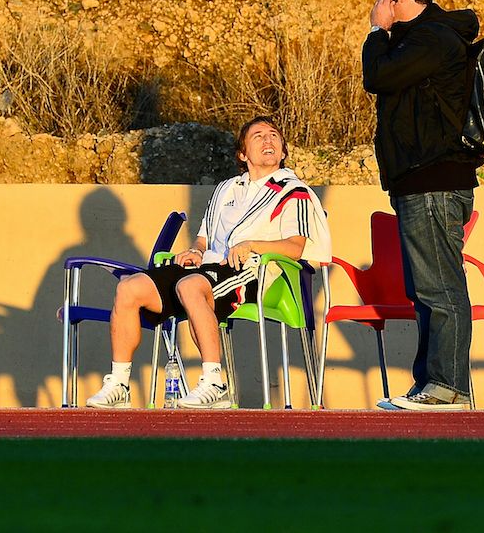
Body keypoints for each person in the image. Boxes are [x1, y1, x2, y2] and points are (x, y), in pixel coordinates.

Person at [86, 116, 331, 409]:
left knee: (191, 286)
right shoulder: (226, 189)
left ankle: (215, 382)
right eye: (258, 136)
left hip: (253, 270)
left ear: (282, 150)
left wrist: (252, 245)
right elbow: (204, 239)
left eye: (274, 135)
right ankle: (118, 384)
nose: (268, 141)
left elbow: (296, 247)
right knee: (129, 288)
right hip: (206, 269)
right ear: (242, 154)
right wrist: (195, 251)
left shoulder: (294, 192)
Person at [361, 0, 480, 411]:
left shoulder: (434, 38)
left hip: (435, 180)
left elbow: (379, 77)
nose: (377, 5)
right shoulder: (417, 40)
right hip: (416, 183)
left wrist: (377, 33)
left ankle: (448, 385)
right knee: (424, 289)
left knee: (440, 286)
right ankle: (431, 383)